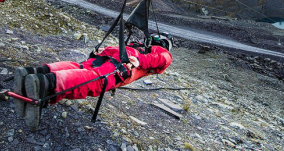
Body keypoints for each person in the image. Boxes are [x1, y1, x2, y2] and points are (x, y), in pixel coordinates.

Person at [13, 34, 173, 129]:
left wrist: (100, 52)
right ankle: (44, 83)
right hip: (124, 63)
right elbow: (164, 59)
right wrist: (141, 61)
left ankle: (35, 73)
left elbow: (117, 50)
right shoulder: (161, 52)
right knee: (96, 80)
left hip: (112, 54)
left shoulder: (135, 44)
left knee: (81, 68)